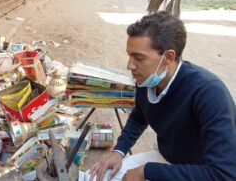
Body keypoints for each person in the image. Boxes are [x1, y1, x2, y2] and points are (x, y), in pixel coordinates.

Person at [88, 11, 236, 181]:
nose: (130, 66)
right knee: (101, 177)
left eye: (139, 58)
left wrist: (147, 172)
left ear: (168, 57)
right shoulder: (147, 80)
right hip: (168, 158)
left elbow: (224, 174)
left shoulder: (209, 94)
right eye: (129, 55)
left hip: (202, 171)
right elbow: (138, 117)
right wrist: (118, 152)